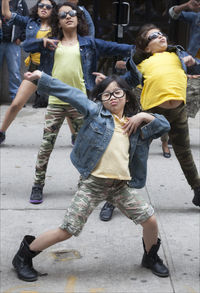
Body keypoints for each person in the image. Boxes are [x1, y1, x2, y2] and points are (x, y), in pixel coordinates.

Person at [12, 69, 170, 282]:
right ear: (101, 99)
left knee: (149, 220)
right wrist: (43, 78)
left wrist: (142, 115)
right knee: (67, 230)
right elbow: (71, 94)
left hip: (120, 187)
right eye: (107, 94)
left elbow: (164, 125)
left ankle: (150, 257)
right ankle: (23, 256)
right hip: (93, 184)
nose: (112, 98)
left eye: (117, 93)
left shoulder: (136, 125)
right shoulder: (96, 113)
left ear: (127, 96)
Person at [23, 2, 134, 204]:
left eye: (72, 13)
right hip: (56, 102)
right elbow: (25, 45)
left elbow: (123, 48)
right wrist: (42, 42)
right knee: (46, 146)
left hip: (81, 103)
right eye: (63, 14)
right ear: (58, 21)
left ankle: (85, 183)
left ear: (78, 18)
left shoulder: (89, 43)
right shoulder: (51, 43)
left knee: (88, 145)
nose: (68, 16)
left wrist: (146, 49)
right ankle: (38, 184)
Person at [126, 23, 200, 208]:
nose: (160, 36)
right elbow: (127, 81)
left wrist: (193, 63)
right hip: (151, 113)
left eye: (161, 33)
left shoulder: (177, 55)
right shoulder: (142, 63)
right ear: (146, 47)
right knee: (135, 152)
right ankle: (116, 195)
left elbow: (195, 69)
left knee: (184, 152)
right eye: (153, 36)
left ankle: (198, 190)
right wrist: (111, 82)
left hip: (178, 112)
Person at [0, 0, 57, 144]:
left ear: (53, 10)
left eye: (48, 6)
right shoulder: (30, 22)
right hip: (35, 69)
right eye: (41, 6)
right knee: (16, 104)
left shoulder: (59, 25)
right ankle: (1, 133)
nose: (44, 8)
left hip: (54, 70)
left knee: (66, 105)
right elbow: (6, 14)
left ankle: (76, 136)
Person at [169, 0, 200, 119]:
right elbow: (173, 14)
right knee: (185, 97)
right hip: (193, 63)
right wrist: (186, 6)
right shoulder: (196, 17)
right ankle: (175, 124)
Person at [0, 0, 29, 103]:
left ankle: (16, 98)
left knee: (14, 71)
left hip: (13, 43)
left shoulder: (21, 2)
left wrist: (21, 37)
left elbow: (27, 20)